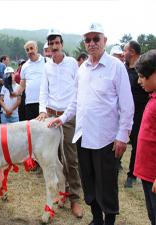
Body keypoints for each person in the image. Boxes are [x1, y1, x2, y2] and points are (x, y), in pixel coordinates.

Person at [48, 23, 134, 225]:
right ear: (84, 43)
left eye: (96, 38)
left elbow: (127, 106)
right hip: (83, 136)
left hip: (106, 139)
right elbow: (76, 101)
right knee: (89, 181)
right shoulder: (82, 69)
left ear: (105, 40)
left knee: (107, 185)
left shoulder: (116, 67)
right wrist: (62, 118)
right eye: (88, 39)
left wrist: (123, 136)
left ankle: (109, 220)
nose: (92, 43)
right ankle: (96, 218)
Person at [36, 28, 83, 218]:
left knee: (71, 159)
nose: (54, 47)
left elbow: (78, 91)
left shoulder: (72, 64)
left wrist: (67, 114)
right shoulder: (46, 66)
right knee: (53, 159)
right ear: (48, 46)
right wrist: (42, 110)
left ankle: (75, 199)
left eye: (57, 43)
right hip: (51, 118)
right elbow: (43, 91)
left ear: (62, 45)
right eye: (51, 44)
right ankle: (60, 193)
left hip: (69, 116)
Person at [134, 49, 156, 225]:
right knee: (151, 214)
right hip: (147, 174)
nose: (139, 80)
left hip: (154, 175)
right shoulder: (152, 97)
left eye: (143, 76)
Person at [123, 40, 149, 188]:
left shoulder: (143, 69)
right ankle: (114, 167)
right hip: (124, 111)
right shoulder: (123, 69)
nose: (123, 53)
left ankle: (132, 175)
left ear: (132, 52)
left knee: (136, 144)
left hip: (139, 113)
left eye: (125, 50)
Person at [16, 40, 46, 120]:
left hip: (43, 103)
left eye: (31, 48)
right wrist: (15, 95)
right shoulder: (25, 66)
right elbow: (22, 85)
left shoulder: (46, 62)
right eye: (27, 50)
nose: (30, 51)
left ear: (36, 49)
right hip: (29, 103)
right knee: (31, 130)